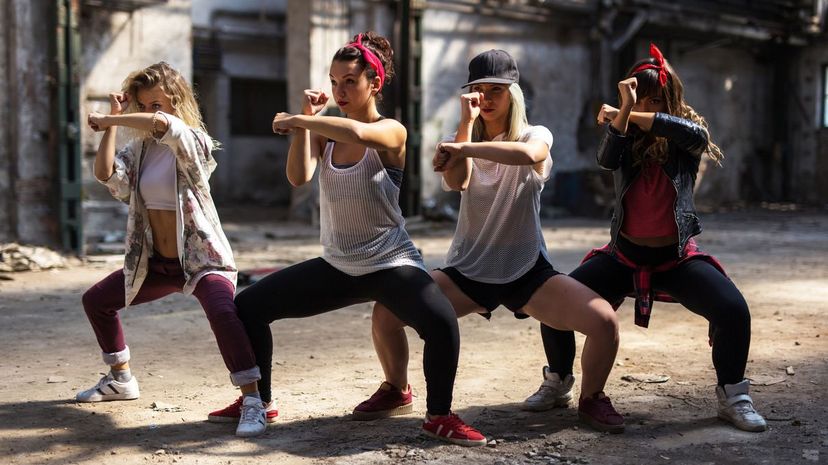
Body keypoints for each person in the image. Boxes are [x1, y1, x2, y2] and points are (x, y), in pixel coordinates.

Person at [213, 32, 487, 446]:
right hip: (338, 265)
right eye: (334, 81)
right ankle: (259, 400)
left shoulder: (391, 130)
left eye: (350, 82)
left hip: (391, 263)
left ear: (374, 84)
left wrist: (303, 119)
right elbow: (298, 177)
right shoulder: (322, 131)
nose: (339, 90)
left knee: (442, 323)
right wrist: (305, 125)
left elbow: (358, 135)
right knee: (248, 307)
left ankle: (439, 415)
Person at [359, 50, 624, 433]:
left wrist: (463, 147)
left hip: (525, 270)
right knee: (385, 314)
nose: (485, 98)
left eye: (495, 90)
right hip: (468, 271)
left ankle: (591, 397)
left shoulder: (535, 134)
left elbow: (529, 155)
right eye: (478, 90)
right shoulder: (461, 138)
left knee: (605, 322)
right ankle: (396, 389)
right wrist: (464, 128)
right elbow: (457, 181)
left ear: (513, 94)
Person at [531, 43, 767, 432]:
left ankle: (734, 397)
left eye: (658, 100)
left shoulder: (688, 135)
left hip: (675, 259)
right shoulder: (625, 137)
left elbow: (693, 133)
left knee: (733, 311)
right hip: (622, 257)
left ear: (671, 100)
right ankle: (558, 382)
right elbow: (606, 158)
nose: (651, 107)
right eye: (644, 99)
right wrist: (623, 112)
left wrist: (633, 113)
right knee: (557, 302)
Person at [79, 62, 272, 437]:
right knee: (96, 300)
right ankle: (120, 379)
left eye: (156, 104)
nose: (150, 112)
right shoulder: (139, 151)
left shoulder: (193, 139)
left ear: (175, 100)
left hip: (201, 258)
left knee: (222, 311)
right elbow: (106, 175)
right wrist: (112, 126)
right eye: (143, 104)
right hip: (155, 263)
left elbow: (166, 126)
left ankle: (253, 401)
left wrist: (109, 119)